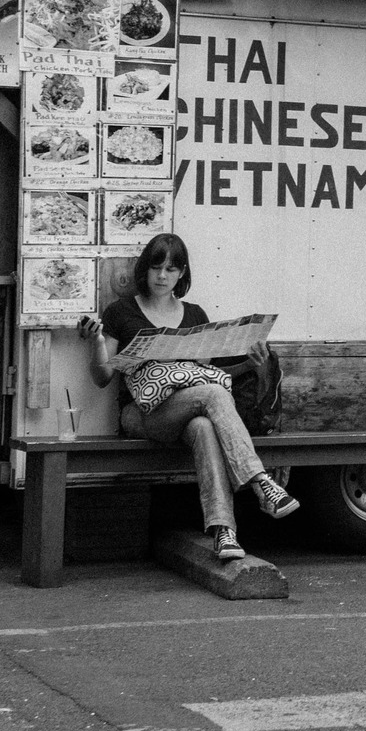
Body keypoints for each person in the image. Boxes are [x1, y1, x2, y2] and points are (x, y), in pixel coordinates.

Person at [78, 233, 297, 561]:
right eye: (156, 267)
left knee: (205, 425)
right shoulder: (121, 312)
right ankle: (260, 481)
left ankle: (224, 532)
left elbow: (206, 373)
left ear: (182, 274)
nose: (162, 276)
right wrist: (96, 344)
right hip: (141, 414)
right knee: (211, 395)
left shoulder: (195, 315)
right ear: (145, 270)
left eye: (171, 269)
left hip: (190, 406)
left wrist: (249, 366)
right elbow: (102, 377)